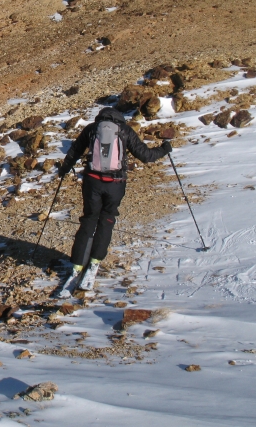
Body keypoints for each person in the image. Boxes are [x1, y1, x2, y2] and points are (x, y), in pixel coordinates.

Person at [55, 107, 171, 297]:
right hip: (115, 184)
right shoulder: (125, 130)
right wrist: (164, 149)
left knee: (89, 219)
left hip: (92, 182)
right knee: (107, 220)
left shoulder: (92, 129)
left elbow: (75, 150)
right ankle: (94, 263)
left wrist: (64, 169)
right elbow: (146, 156)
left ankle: (76, 265)